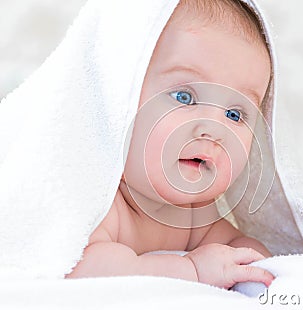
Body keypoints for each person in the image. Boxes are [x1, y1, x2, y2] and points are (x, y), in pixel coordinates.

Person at [66, 0, 274, 290]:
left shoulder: (194, 211)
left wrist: (257, 263)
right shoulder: (97, 201)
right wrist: (191, 270)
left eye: (234, 114)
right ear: (115, 99)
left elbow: (233, 246)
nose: (213, 130)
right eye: (184, 97)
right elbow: (81, 268)